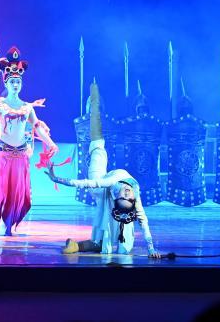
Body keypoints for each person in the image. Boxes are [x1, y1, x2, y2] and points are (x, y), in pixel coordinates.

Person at [45, 81, 160, 258]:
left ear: (116, 197)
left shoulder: (109, 186)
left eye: (124, 197)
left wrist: (57, 179)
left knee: (121, 249)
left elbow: (85, 183)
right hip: (107, 187)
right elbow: (142, 218)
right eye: (129, 197)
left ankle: (80, 245)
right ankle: (94, 111)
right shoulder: (134, 193)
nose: (127, 194)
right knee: (98, 142)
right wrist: (151, 249)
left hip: (100, 189)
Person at [0, 46, 58, 235]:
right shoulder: (0, 105)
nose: (15, 85)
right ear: (6, 83)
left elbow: (37, 127)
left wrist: (50, 143)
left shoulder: (27, 107)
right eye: (12, 82)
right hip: (2, 154)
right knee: (1, 190)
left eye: (18, 82)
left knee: (17, 192)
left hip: (20, 155)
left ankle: (9, 223)